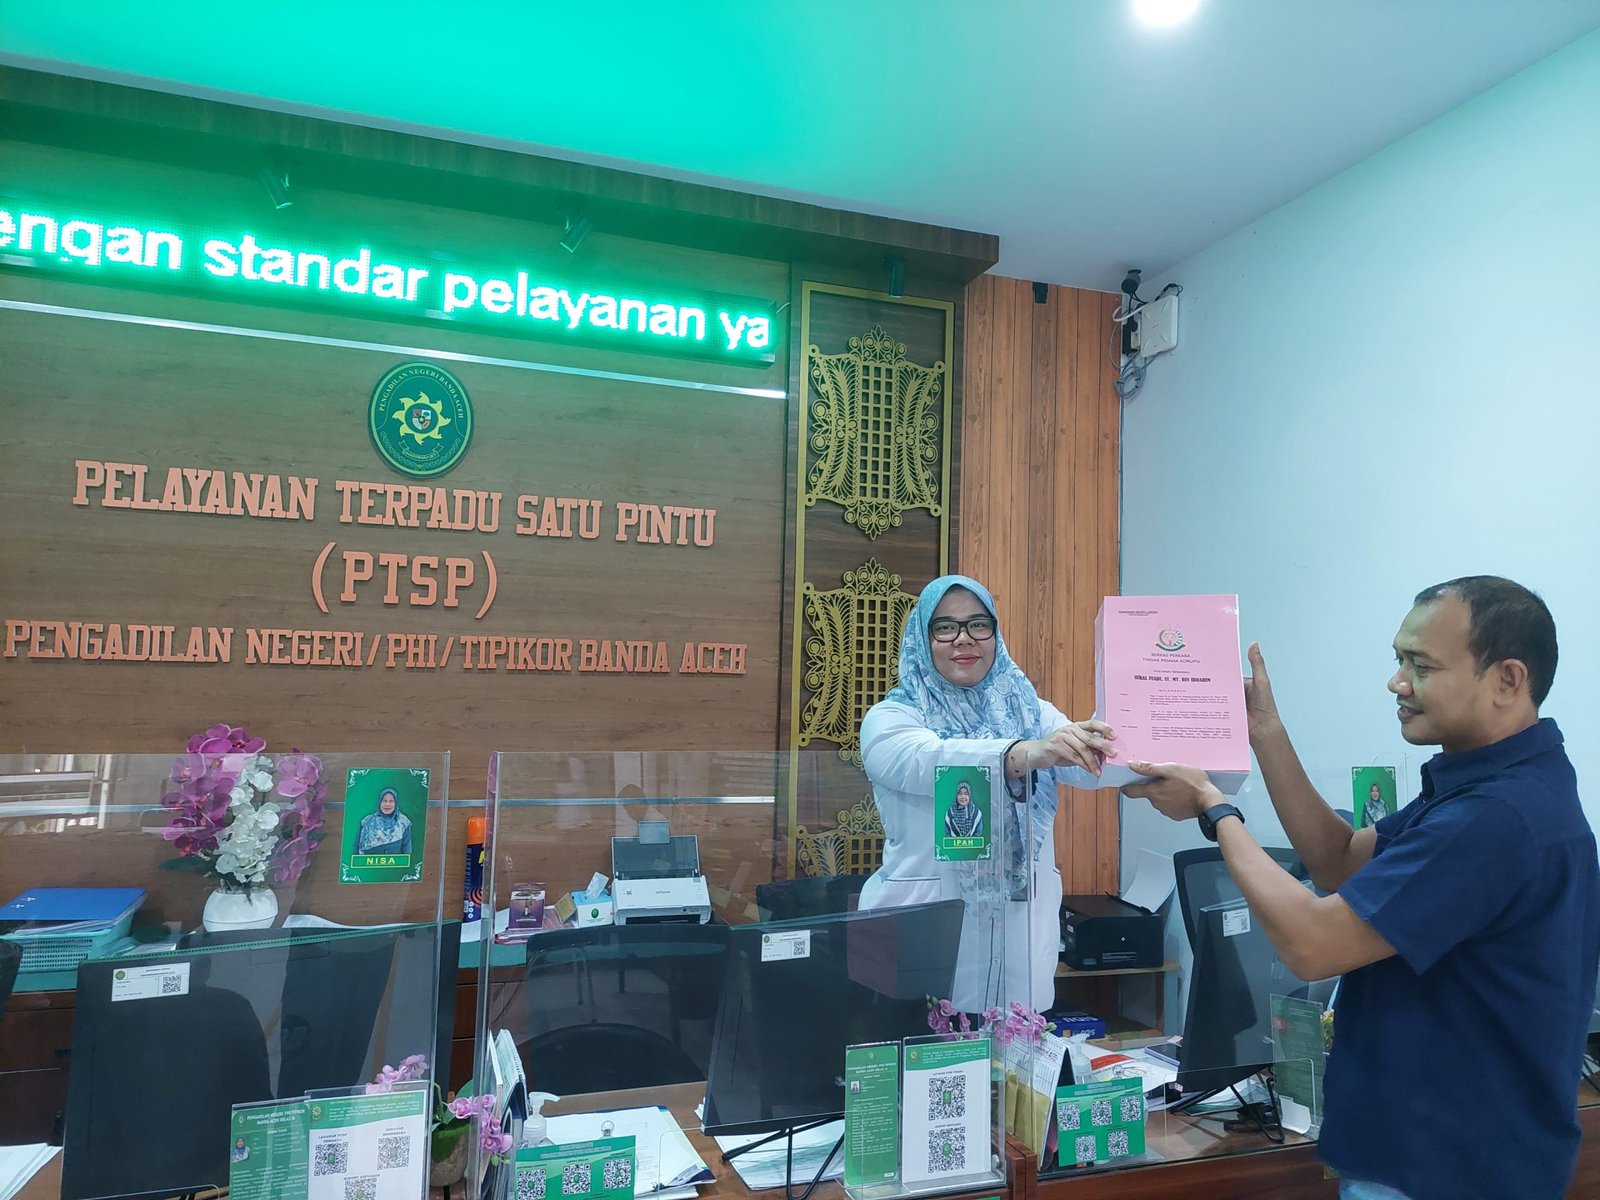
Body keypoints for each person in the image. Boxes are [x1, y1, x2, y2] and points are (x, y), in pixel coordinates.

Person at [1122, 576, 1600, 1200]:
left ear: (1508, 680)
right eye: (1399, 660)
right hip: (1429, 1157)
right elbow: (1341, 862)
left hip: (1449, 1173)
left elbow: (1313, 944)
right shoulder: (1488, 785)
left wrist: (1215, 810)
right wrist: (1265, 731)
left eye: (1421, 666)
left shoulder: (1495, 817)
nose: (1397, 683)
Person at [858, 575, 1117, 1012]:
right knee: (930, 1043)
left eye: (979, 624)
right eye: (945, 627)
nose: (964, 639)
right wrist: (1022, 753)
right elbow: (926, 760)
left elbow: (1091, 768)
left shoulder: (1032, 713)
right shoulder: (891, 717)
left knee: (1014, 1048)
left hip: (1019, 940)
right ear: (923, 638)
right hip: (927, 941)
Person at [355, 787, 413, 856]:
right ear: (380, 802)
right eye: (384, 801)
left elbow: (407, 853)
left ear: (395, 803)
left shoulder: (403, 823)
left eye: (391, 801)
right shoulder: (367, 822)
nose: (387, 804)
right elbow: (356, 849)